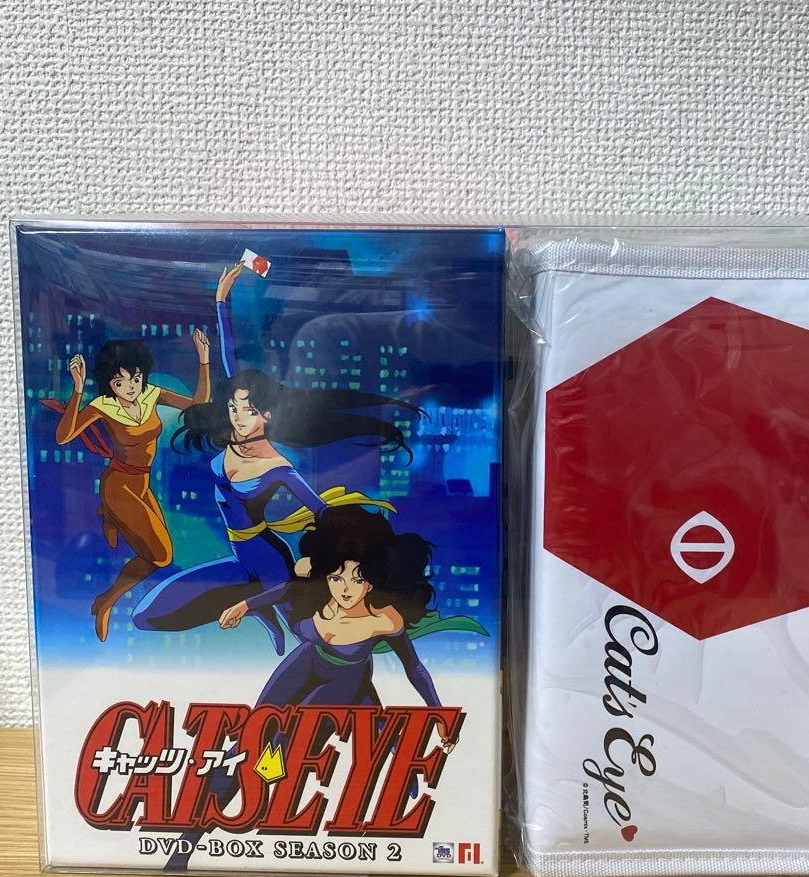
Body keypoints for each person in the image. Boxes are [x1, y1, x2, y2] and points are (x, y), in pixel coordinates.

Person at [131, 263, 411, 653]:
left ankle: (331, 624)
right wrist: (221, 301)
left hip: (270, 563)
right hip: (238, 558)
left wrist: (330, 560)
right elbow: (231, 359)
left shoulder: (279, 468)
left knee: (312, 640)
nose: (236, 417)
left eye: (247, 411)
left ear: (267, 415)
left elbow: (323, 513)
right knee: (145, 615)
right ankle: (259, 608)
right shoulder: (234, 434)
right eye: (233, 408)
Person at [218, 506, 486, 709]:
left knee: (291, 734)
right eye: (336, 578)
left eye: (358, 580)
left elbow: (413, 667)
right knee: (260, 720)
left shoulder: (384, 619)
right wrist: (244, 606)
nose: (345, 590)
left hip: (348, 675)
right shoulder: (318, 587)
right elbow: (290, 589)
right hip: (309, 657)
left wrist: (437, 712)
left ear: (372, 581)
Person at [44, 331, 210, 640]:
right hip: (119, 485)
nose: (130, 387)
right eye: (120, 382)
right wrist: (78, 390)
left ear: (142, 374)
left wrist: (203, 360)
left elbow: (198, 405)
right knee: (160, 555)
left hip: (142, 484)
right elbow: (63, 436)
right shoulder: (103, 406)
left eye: (135, 378)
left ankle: (109, 526)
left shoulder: (151, 394)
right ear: (109, 384)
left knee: (161, 554)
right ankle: (107, 601)